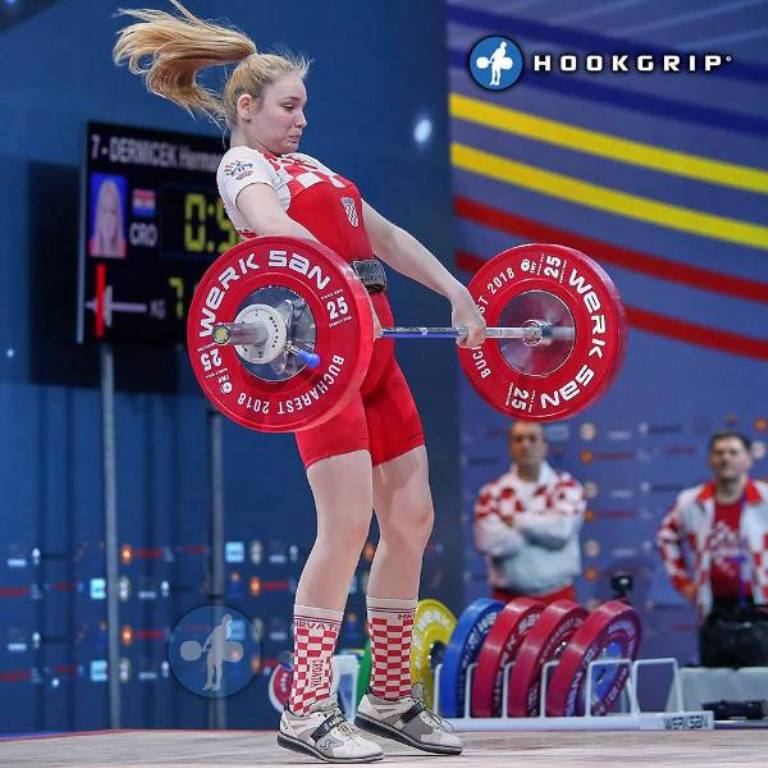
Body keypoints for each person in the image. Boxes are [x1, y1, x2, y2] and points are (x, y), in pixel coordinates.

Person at [114, 2, 484, 762]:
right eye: (289, 107)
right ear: (248, 107)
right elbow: (275, 227)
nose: (302, 120)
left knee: (411, 518)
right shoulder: (243, 166)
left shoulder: (316, 169)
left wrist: (456, 290)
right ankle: (309, 709)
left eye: (305, 107)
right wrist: (340, 275)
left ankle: (388, 698)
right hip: (318, 362)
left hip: (375, 352)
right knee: (345, 529)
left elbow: (388, 236)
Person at [657, 430, 768, 666]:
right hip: (713, 608)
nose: (726, 458)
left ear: (749, 459)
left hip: (760, 607)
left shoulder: (764, 498)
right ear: (710, 459)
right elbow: (666, 536)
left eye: (733, 452)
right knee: (714, 682)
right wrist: (682, 582)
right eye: (719, 453)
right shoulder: (691, 502)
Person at [473, 421, 585, 605]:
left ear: (545, 445)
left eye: (532, 439)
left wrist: (516, 521)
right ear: (510, 447)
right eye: (518, 439)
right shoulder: (492, 492)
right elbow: (487, 542)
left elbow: (561, 532)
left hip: (558, 599)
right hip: (506, 601)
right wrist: (540, 530)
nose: (525, 445)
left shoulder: (566, 486)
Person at [89, 177, 127, 258]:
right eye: (104, 211)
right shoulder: (90, 247)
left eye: (113, 212)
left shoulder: (125, 249)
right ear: (99, 217)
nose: (108, 219)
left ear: (118, 219)